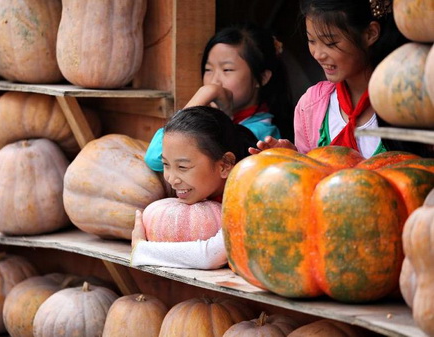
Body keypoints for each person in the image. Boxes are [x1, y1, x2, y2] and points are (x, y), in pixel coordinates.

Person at [250, 0, 429, 158]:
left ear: (370, 33)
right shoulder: (310, 105)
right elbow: (307, 182)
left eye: (331, 43)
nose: (318, 54)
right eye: (311, 41)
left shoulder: (409, 100)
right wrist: (293, 159)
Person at [144, 23, 293, 172]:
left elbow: (155, 159)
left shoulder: (262, 133)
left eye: (227, 69)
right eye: (208, 69)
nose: (214, 81)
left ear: (262, 77)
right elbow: (156, 158)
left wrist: (201, 100)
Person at [131, 106, 257, 269]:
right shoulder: (205, 188)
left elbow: (211, 256)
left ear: (225, 165)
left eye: (182, 167)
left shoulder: (247, 191)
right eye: (166, 164)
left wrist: (141, 249)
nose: (171, 179)